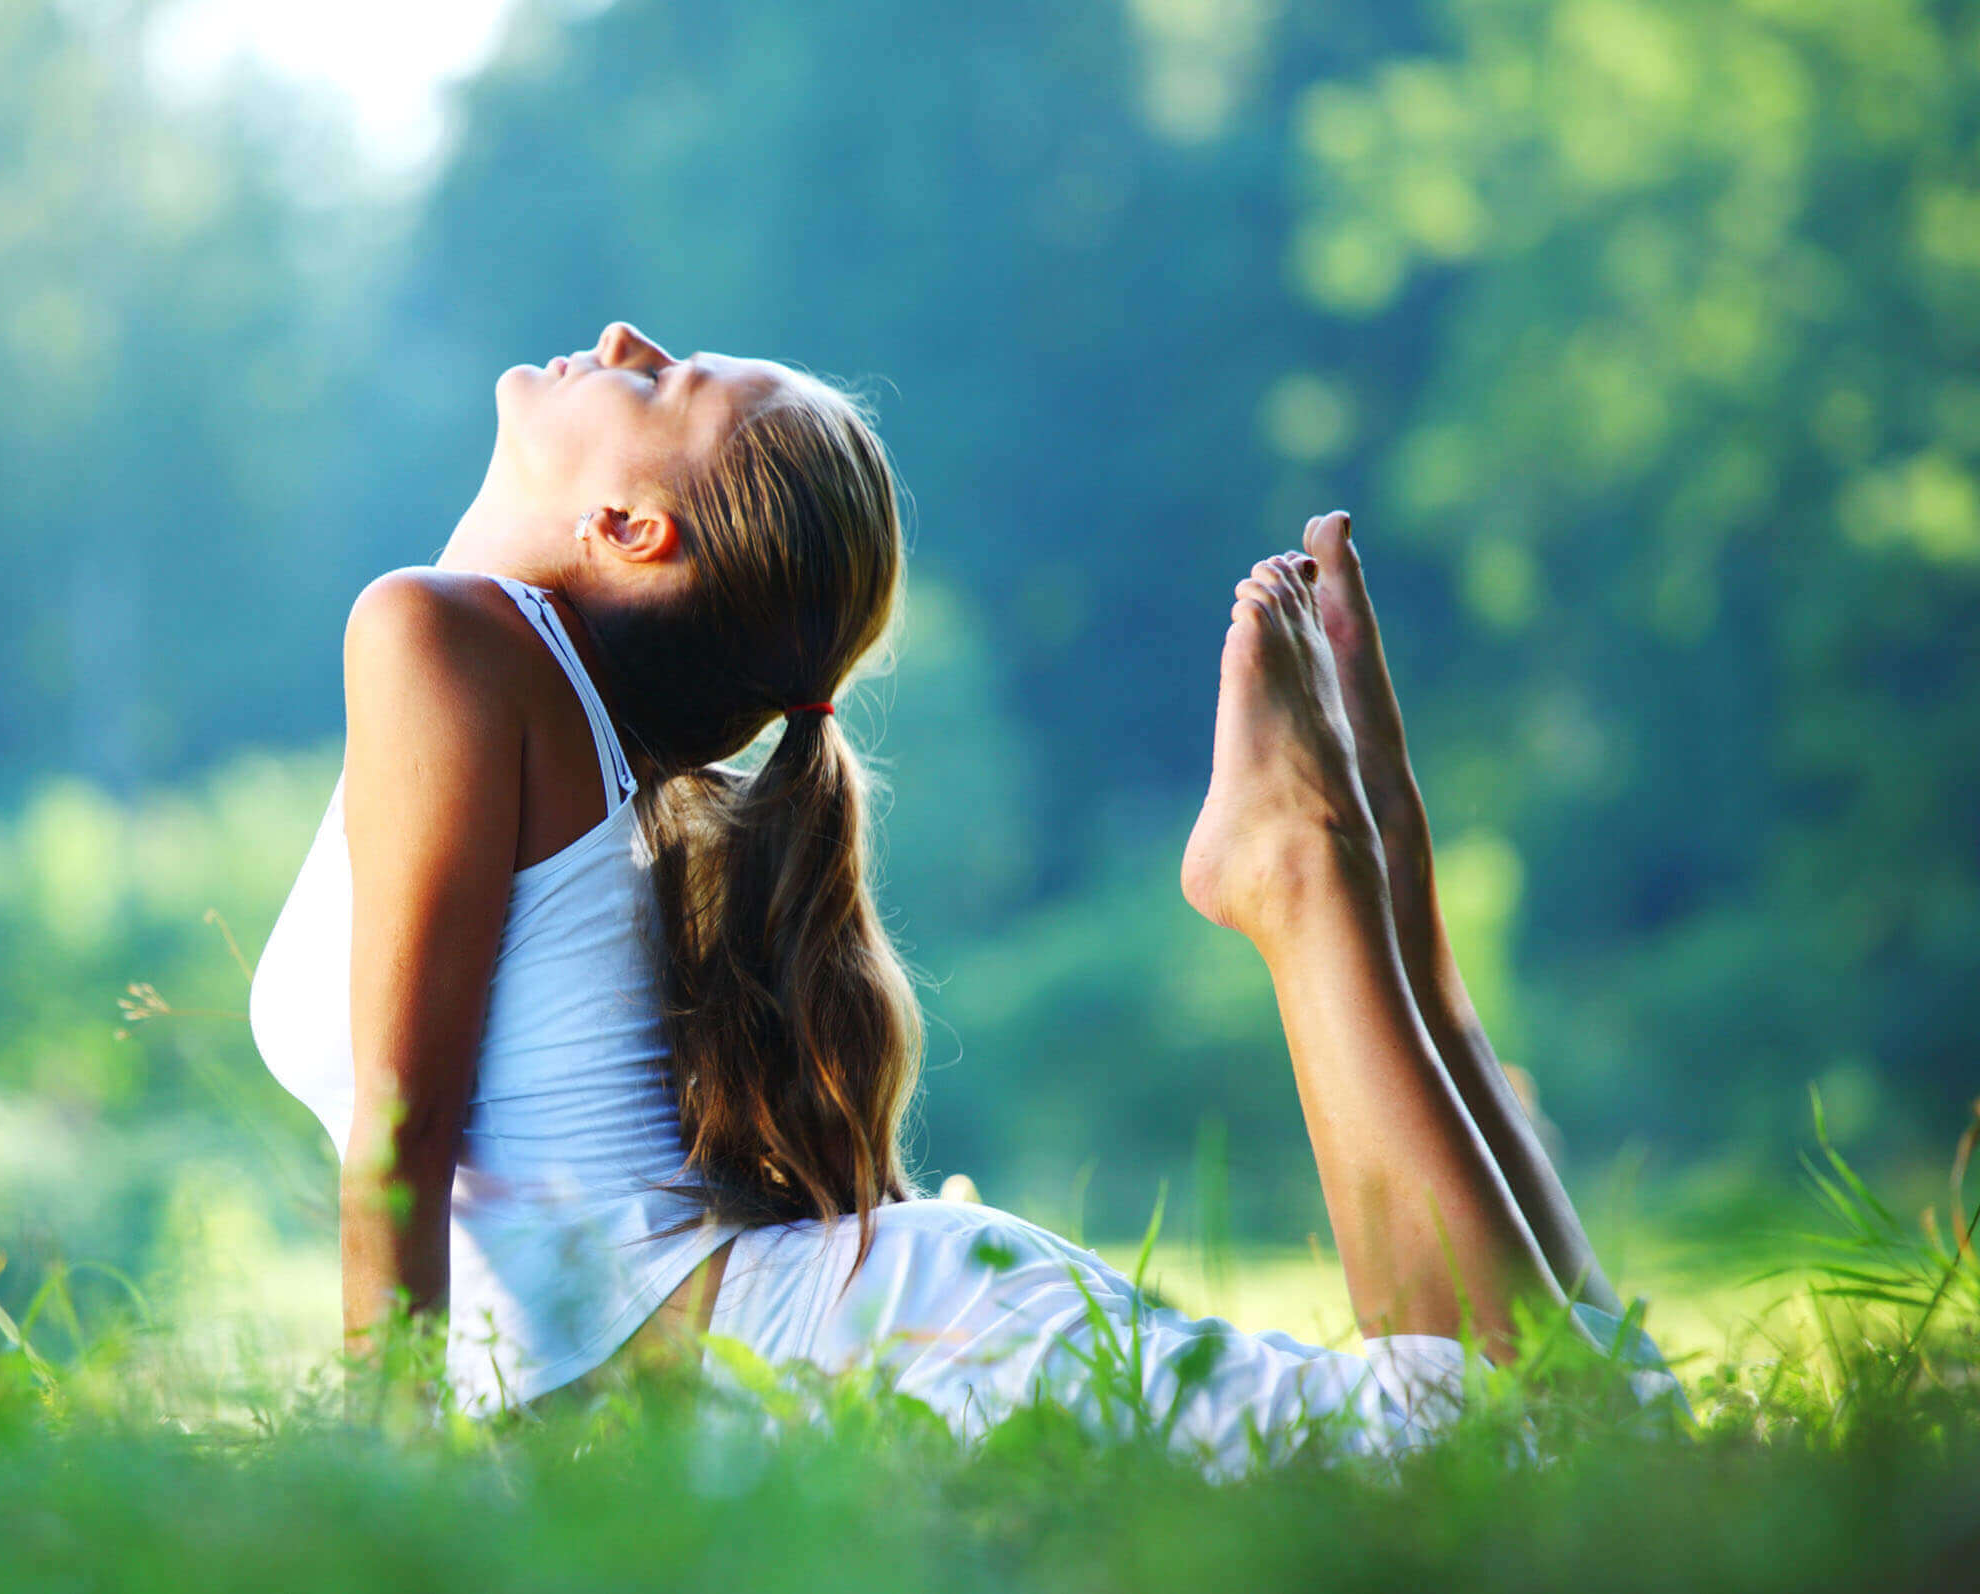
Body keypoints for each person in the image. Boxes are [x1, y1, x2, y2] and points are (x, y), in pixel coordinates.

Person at [248, 322, 1665, 1464]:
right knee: (1605, 1433)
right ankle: (1386, 902)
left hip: (845, 1342)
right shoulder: (518, 691)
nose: (620, 336)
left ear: (632, 525)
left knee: (1524, 1443)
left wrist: (394, 1465)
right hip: (847, 1335)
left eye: (663, 378)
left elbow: (401, 1118)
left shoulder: (437, 634)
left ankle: (1311, 874)